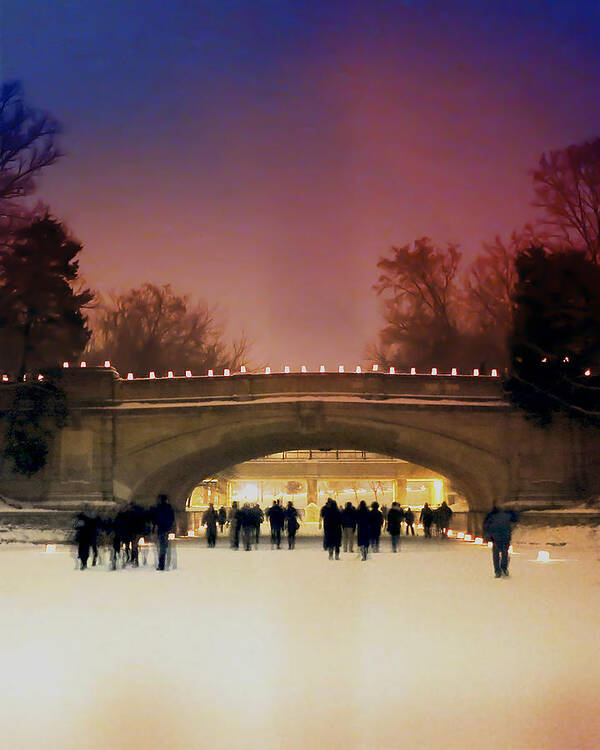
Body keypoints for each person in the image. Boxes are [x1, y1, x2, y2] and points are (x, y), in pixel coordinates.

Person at [483, 505, 518, 578]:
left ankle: (497, 571)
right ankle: (504, 568)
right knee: (505, 552)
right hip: (505, 536)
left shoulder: (491, 516)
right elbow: (515, 519)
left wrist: (487, 536)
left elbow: (486, 526)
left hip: (495, 537)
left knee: (496, 554)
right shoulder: (507, 515)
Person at [152, 493, 175, 571]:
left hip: (161, 529)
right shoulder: (169, 508)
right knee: (164, 546)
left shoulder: (158, 508)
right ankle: (165, 562)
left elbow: (155, 519)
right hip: (166, 529)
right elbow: (172, 519)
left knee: (162, 547)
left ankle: (161, 564)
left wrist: (154, 528)